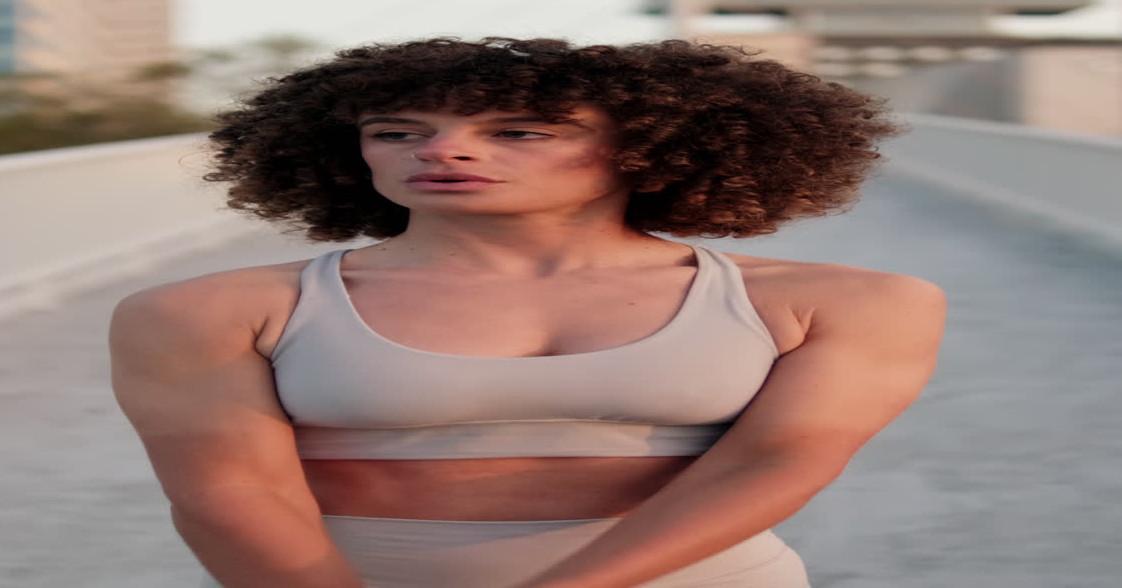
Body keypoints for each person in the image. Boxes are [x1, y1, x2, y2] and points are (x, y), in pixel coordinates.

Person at [109, 36, 945, 588]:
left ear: (646, 148)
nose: (442, 150)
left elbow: (776, 462)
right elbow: (232, 494)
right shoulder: (210, 310)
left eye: (520, 132)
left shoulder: (840, 303)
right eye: (396, 132)